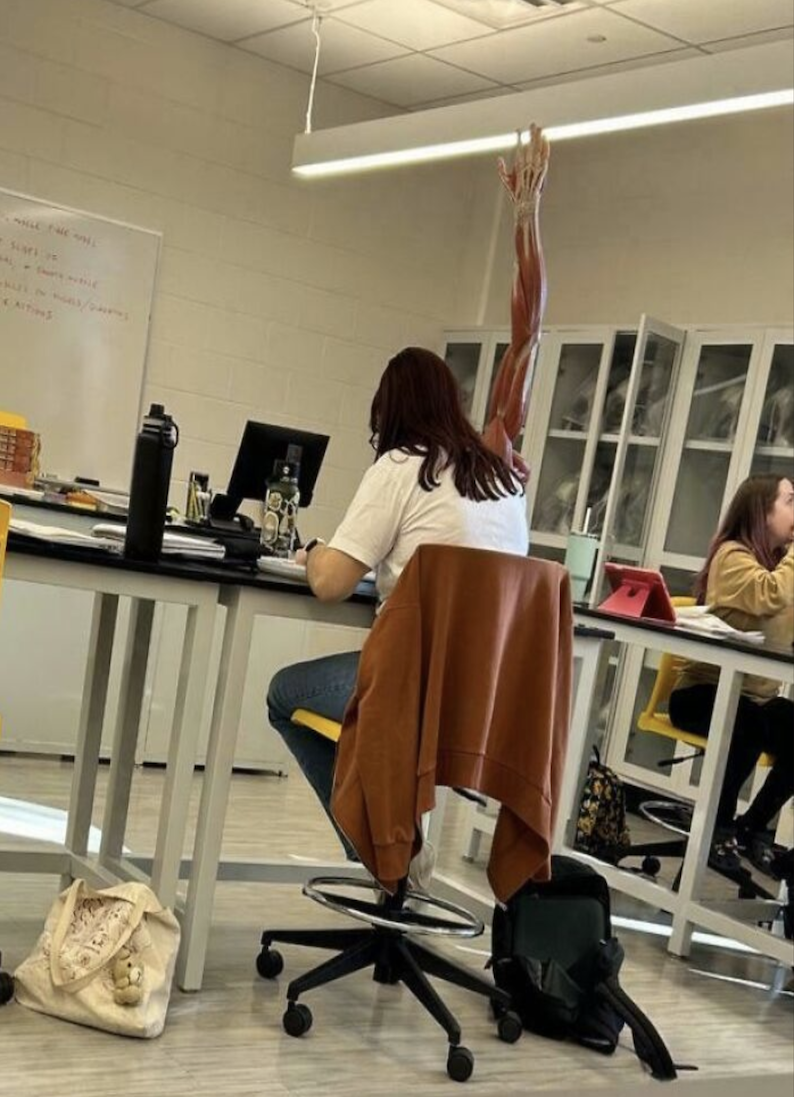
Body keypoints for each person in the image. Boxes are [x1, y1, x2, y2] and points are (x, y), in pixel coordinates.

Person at [266, 347, 530, 872]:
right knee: (380, 690)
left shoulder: (403, 464)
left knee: (286, 693)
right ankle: (397, 852)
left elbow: (331, 583)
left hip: (414, 694)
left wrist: (316, 551)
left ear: (388, 414)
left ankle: (382, 854)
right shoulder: (505, 481)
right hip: (488, 703)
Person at [669, 474, 794, 873]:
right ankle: (714, 830)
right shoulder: (732, 556)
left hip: (752, 699)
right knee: (750, 725)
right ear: (762, 510)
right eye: (790, 501)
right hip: (701, 694)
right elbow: (768, 594)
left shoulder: (783, 567)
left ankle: (752, 827)